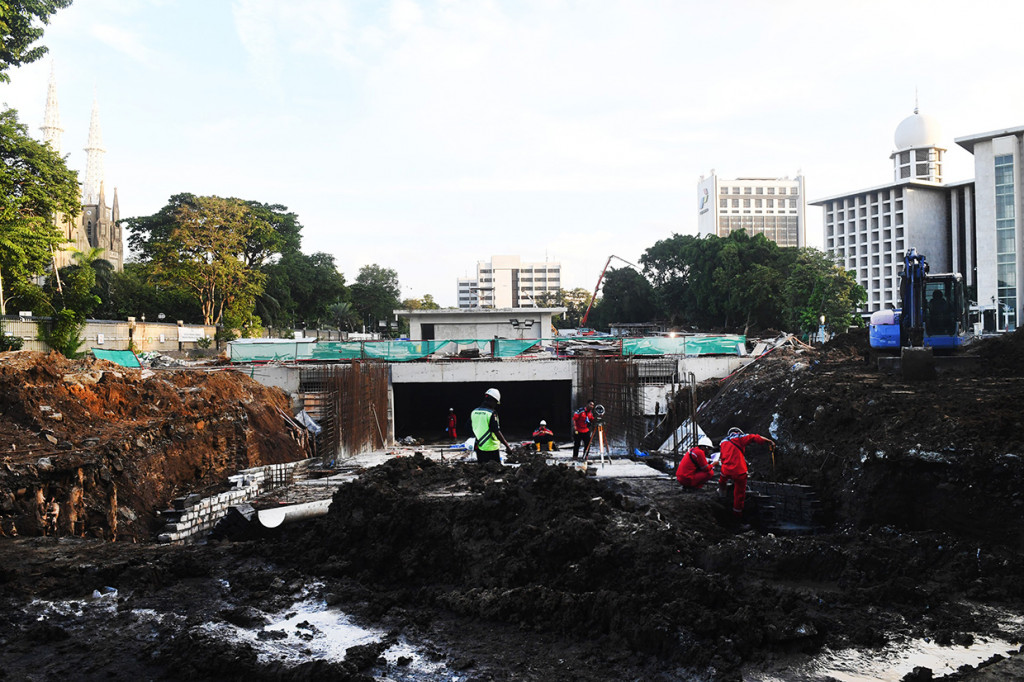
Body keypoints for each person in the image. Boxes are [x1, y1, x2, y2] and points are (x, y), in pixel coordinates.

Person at [718, 427, 774, 523]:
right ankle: (737, 517)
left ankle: (721, 495)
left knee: (722, 481)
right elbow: (753, 437)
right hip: (739, 471)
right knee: (739, 494)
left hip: (726, 470)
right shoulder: (739, 438)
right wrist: (768, 441)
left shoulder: (723, 442)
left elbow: (722, 457)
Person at [471, 388, 512, 464]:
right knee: (495, 471)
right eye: (496, 402)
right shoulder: (491, 413)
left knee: (481, 470)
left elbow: (468, 427)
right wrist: (507, 446)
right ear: (493, 400)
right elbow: (496, 431)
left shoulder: (474, 412)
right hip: (492, 449)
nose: (495, 405)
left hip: (479, 447)